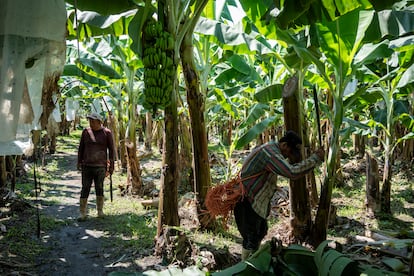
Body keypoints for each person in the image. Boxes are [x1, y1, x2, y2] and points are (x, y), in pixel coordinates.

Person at [234, 130, 325, 260]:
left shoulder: (271, 149)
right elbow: (291, 172)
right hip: (247, 200)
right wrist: (315, 159)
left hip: (254, 200)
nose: (287, 157)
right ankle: (246, 266)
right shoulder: (270, 153)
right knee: (251, 237)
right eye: (289, 153)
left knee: (260, 232)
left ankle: (251, 263)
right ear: (284, 145)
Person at [77, 112, 115, 220]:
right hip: (87, 165)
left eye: (93, 121)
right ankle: (82, 212)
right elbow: (81, 148)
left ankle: (100, 211)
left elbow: (111, 151)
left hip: (100, 166)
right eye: (90, 121)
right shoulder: (86, 132)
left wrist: (111, 167)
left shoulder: (106, 133)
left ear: (99, 122)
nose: (91, 123)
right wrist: (79, 162)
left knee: (100, 187)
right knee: (85, 188)